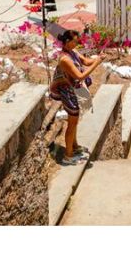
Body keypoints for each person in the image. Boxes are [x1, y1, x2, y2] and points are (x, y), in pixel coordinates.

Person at [50, 29, 105, 165]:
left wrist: (98, 58)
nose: (77, 44)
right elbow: (80, 76)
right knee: (72, 123)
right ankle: (68, 156)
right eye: (75, 41)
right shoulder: (64, 59)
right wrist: (97, 63)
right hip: (68, 92)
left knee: (74, 121)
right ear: (67, 42)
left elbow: (86, 61)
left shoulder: (72, 52)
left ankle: (74, 146)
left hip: (74, 90)